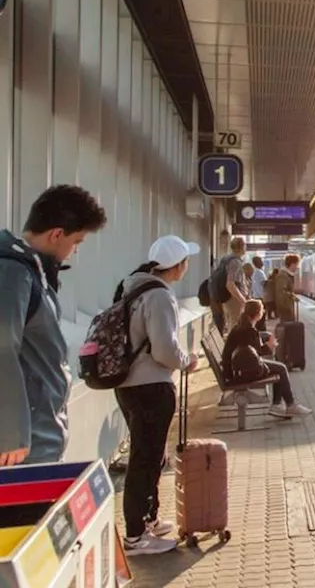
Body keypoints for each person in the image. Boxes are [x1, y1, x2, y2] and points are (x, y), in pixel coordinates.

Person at [0, 186, 108, 466]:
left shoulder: (30, 271)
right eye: (77, 242)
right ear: (56, 235)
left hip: (35, 435)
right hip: (23, 447)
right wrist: (10, 432)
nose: (75, 251)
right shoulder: (14, 273)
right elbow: (2, 346)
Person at [113, 235, 202, 555]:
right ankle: (136, 536)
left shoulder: (133, 287)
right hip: (151, 387)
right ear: (177, 266)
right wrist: (186, 362)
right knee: (145, 459)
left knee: (150, 456)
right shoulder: (159, 296)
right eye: (185, 261)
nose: (186, 266)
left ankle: (148, 519)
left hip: (128, 387)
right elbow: (164, 349)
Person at [223, 300, 311, 419]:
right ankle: (288, 405)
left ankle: (279, 404)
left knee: (278, 367)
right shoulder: (248, 330)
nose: (264, 311)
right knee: (281, 368)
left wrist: (266, 340)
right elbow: (256, 353)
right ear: (258, 314)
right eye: (262, 309)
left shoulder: (242, 326)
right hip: (240, 373)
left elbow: (251, 352)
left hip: (236, 369)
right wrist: (270, 346)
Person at [212, 237, 249, 332]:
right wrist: (242, 300)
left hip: (227, 298)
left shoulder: (226, 259)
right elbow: (230, 284)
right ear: (241, 247)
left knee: (231, 325)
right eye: (245, 245)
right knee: (235, 326)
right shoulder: (235, 262)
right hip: (233, 299)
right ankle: (233, 346)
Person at [275, 254, 300, 323]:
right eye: (297, 264)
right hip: (285, 306)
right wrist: (291, 296)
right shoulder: (283, 275)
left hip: (286, 305)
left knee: (289, 326)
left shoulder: (286, 275)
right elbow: (281, 291)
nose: (297, 267)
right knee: (287, 326)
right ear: (292, 264)